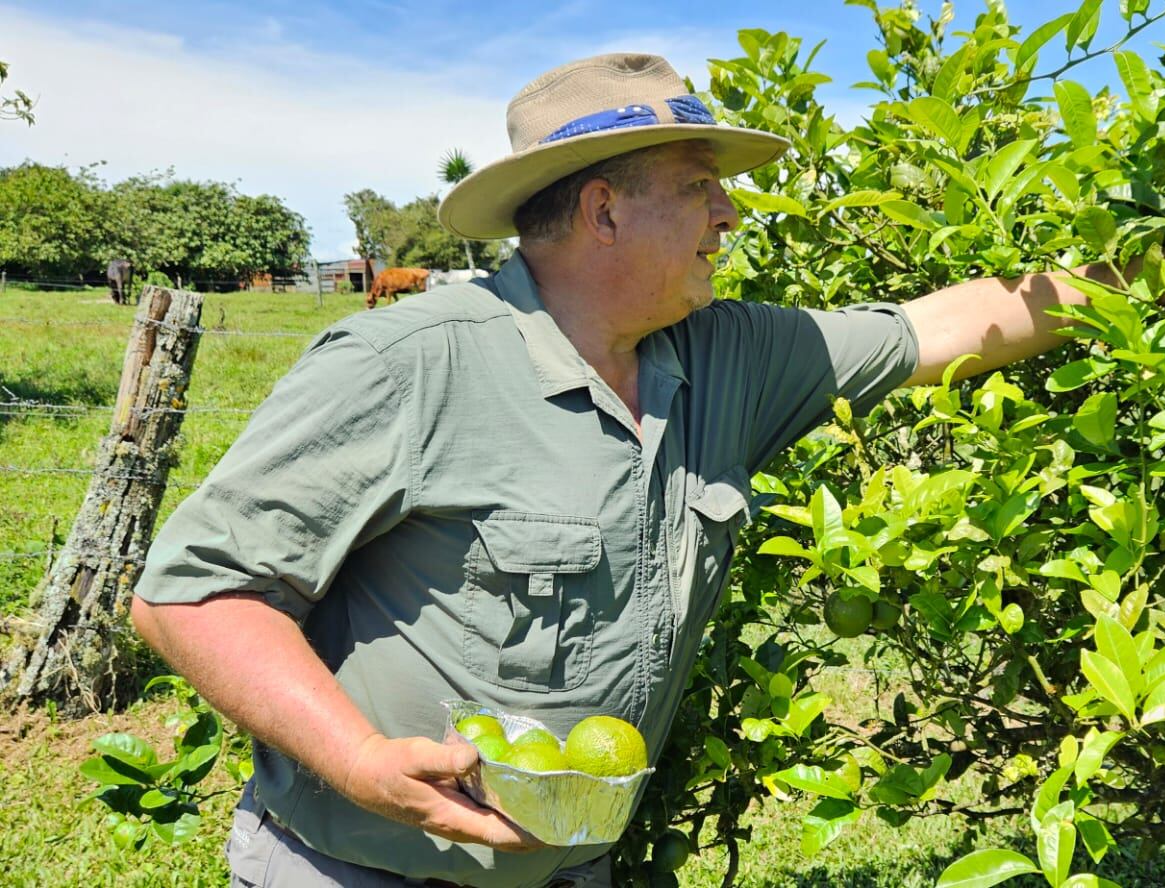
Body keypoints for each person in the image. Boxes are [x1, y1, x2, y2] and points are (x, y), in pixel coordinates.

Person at [129, 53, 1115, 887]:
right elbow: (194, 596)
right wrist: (359, 762)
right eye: (698, 186)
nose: (730, 213)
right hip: (358, 871)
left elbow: (937, 329)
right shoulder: (409, 365)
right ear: (603, 210)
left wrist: (1160, 276)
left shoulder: (731, 356)